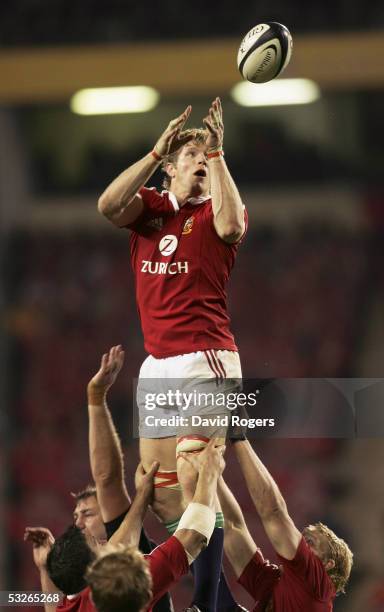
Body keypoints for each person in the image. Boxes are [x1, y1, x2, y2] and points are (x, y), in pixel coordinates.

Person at [98, 98, 246, 611]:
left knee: (192, 469)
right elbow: (107, 206)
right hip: (157, 364)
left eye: (207, 157)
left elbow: (231, 229)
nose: (201, 162)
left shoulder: (217, 208)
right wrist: (155, 148)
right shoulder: (152, 214)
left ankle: (208, 600)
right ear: (170, 169)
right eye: (192, 156)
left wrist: (219, 152)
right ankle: (206, 595)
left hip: (206, 356)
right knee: (160, 492)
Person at [26, 440, 225, 612]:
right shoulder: (126, 584)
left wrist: (45, 568)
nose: (105, 543)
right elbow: (195, 536)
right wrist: (209, 474)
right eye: (98, 546)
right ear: (95, 573)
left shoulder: (79, 595)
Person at [181, 440, 353, 611]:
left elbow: (274, 512)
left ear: (327, 566)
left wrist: (240, 439)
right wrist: (209, 471)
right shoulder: (273, 584)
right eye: (303, 538)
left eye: (310, 544)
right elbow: (233, 528)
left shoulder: (319, 588)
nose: (300, 545)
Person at [74, 344, 173, 611]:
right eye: (78, 516)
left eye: (87, 514)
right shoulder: (133, 570)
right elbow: (196, 532)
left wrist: (96, 398)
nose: (79, 523)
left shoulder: (119, 571)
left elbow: (106, 479)